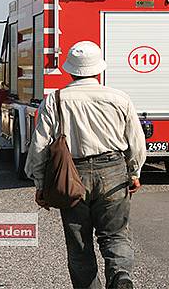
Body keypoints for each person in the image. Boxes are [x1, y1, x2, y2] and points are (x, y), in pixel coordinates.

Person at [24, 41, 146, 289]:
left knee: (79, 242)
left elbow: (39, 146)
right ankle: (120, 276)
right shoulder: (118, 98)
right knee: (115, 234)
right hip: (113, 171)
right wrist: (134, 171)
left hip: (71, 176)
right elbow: (136, 140)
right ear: (98, 69)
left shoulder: (55, 100)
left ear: (70, 70)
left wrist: (39, 183)